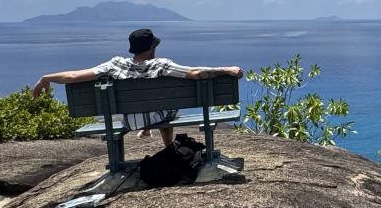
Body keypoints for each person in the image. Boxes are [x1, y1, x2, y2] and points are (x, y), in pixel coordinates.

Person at [32, 28, 244, 147]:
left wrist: (46, 78)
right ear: (152, 48)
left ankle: (144, 127)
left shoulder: (114, 64)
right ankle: (168, 147)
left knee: (145, 104)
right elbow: (197, 73)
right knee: (169, 105)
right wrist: (226, 69)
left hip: (129, 120)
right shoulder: (162, 65)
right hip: (160, 116)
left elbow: (73, 76)